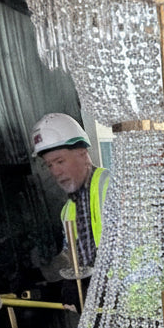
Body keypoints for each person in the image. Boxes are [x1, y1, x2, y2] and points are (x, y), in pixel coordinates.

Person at [30, 113, 110, 292]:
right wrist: (41, 275)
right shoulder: (68, 210)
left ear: (83, 154)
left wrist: (90, 285)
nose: (55, 172)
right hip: (105, 309)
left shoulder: (112, 188)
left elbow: (132, 251)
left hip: (140, 308)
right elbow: (71, 258)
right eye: (49, 165)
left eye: (60, 161)